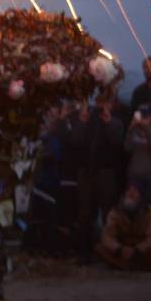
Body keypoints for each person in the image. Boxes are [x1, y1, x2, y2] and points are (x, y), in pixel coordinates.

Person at [63, 95, 124, 260]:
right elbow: (75, 141)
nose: (100, 106)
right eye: (98, 102)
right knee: (85, 213)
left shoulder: (116, 122)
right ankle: (85, 253)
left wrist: (109, 123)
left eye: (103, 102)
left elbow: (118, 142)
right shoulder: (86, 120)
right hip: (86, 173)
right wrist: (82, 122)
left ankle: (110, 252)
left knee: (107, 213)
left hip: (106, 173)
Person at [95, 181, 151, 270]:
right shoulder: (115, 211)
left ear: (141, 196)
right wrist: (120, 249)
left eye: (135, 191)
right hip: (122, 247)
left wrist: (138, 250)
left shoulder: (150, 212)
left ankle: (126, 266)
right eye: (129, 190)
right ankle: (130, 266)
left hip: (140, 249)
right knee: (99, 248)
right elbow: (107, 236)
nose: (131, 193)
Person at [124, 103, 151, 209]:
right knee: (133, 208)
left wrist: (147, 128)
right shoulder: (134, 131)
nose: (143, 118)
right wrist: (130, 128)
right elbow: (127, 147)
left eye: (146, 116)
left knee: (150, 209)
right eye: (142, 115)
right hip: (135, 176)